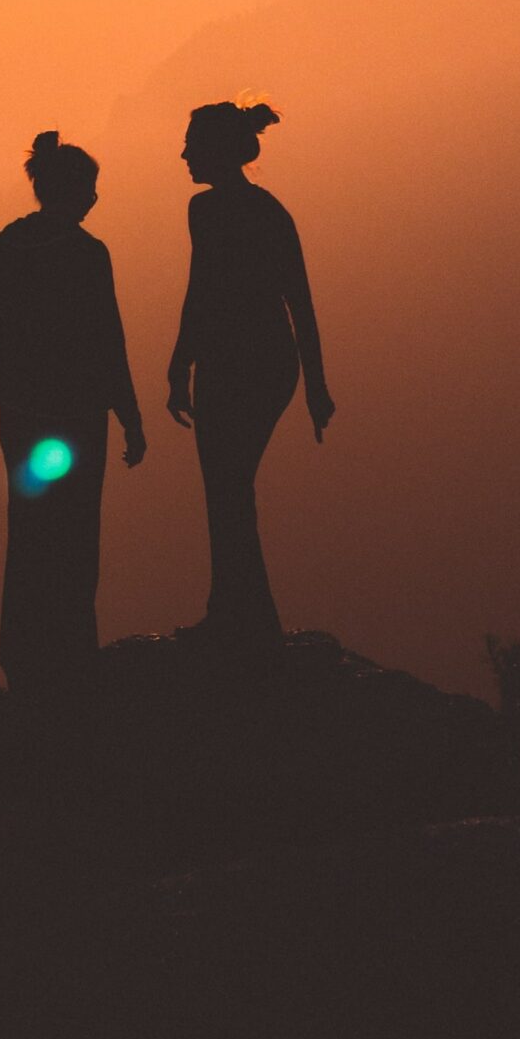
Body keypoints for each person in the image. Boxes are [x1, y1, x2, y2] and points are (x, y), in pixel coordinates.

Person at [0, 131, 145, 694]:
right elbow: (109, 340)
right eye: (91, 187)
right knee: (75, 532)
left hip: (23, 417)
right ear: (71, 189)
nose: (96, 198)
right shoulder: (85, 253)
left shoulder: (6, 246)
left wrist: (11, 400)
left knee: (28, 530)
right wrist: (130, 414)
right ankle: (72, 649)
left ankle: (22, 649)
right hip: (78, 418)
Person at [166, 100, 332, 644]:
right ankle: (237, 608)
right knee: (225, 486)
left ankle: (242, 614)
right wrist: (179, 363)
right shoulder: (215, 211)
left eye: (192, 143)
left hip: (255, 363)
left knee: (228, 483)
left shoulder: (260, 213)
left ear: (216, 150)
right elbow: (202, 289)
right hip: (230, 360)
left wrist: (317, 386)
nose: (185, 153)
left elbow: (297, 299)